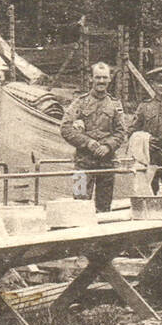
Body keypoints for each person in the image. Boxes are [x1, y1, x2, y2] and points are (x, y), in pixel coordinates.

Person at [60, 62, 127, 212]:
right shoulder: (80, 102)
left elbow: (121, 131)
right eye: (98, 77)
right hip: (82, 164)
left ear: (110, 79)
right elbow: (65, 128)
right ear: (91, 78)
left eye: (104, 78)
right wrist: (87, 142)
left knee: (104, 208)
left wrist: (108, 146)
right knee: (78, 206)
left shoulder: (115, 104)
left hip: (106, 164)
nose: (101, 81)